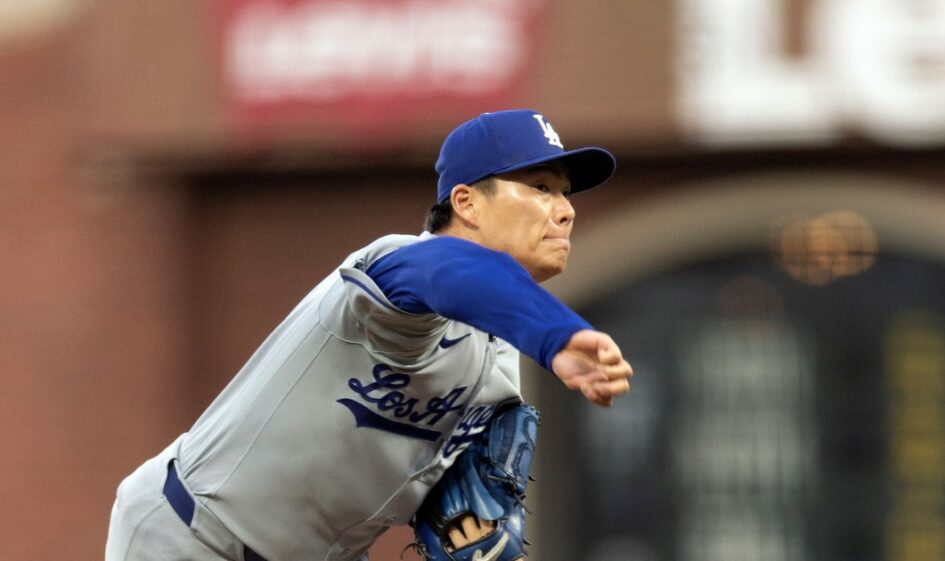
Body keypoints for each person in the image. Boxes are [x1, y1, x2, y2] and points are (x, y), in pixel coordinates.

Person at [105, 109, 634, 561]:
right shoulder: (396, 265)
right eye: (540, 188)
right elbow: (450, 269)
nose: (564, 210)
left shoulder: (497, 365)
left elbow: (459, 501)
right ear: (467, 202)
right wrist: (556, 334)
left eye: (565, 194)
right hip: (193, 536)